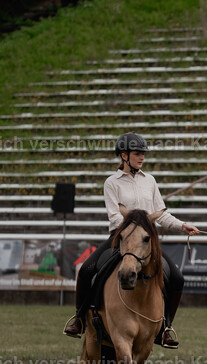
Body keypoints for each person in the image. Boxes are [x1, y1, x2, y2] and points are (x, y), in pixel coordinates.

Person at [63, 132, 199, 349]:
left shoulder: (150, 181)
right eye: (137, 153)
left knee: (178, 278)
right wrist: (135, 226)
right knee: (87, 270)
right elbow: (115, 216)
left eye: (143, 154)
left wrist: (182, 225)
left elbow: (160, 213)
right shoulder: (111, 183)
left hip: (145, 242)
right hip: (120, 238)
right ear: (124, 156)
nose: (142, 157)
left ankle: (165, 328)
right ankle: (79, 319)